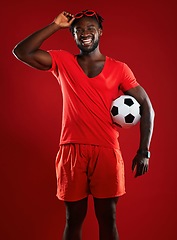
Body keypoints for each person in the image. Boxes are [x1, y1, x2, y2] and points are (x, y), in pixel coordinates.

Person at [12, 10, 155, 240]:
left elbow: (147, 106)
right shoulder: (62, 60)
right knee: (73, 219)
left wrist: (144, 151)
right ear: (73, 35)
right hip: (71, 152)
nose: (85, 33)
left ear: (100, 32)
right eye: (79, 30)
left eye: (90, 28)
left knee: (108, 218)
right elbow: (21, 52)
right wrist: (54, 25)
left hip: (106, 151)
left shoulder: (120, 68)